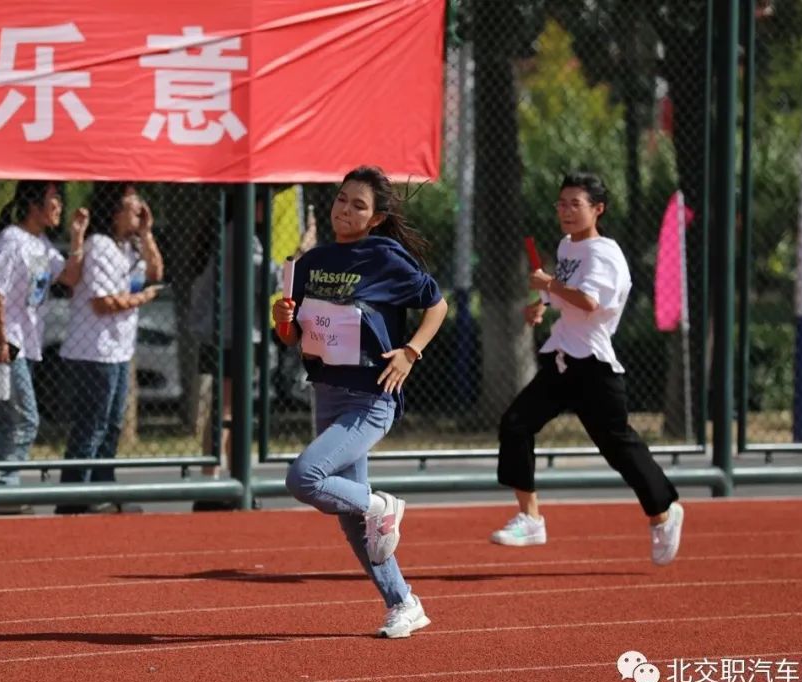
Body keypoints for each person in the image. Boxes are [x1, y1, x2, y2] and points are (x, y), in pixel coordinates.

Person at [273, 166, 448, 638]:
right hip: (327, 392)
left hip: (371, 398)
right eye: (341, 199)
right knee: (354, 522)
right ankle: (403, 602)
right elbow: (292, 336)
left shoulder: (384, 257)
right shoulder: (312, 262)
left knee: (305, 477)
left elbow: (437, 305)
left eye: (358, 205)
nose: (345, 210)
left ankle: (381, 504)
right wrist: (281, 318)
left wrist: (411, 352)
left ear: (376, 218)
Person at [490, 171, 684, 566]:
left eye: (575, 204)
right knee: (515, 424)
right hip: (563, 358)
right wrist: (542, 304)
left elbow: (590, 301)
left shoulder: (604, 253)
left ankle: (663, 513)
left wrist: (549, 285)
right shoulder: (567, 246)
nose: (566, 211)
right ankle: (531, 519)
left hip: (594, 367)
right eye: (561, 204)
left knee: (618, 447)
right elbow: (564, 292)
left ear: (598, 209)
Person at [187, 193, 316, 508]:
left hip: (235, 332)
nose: (268, 209)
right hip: (231, 334)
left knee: (234, 409)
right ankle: (214, 485)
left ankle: (233, 478)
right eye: (263, 202)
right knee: (227, 409)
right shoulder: (239, 234)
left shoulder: (239, 233)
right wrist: (303, 250)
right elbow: (269, 278)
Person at [0, 180, 88, 514]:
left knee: (9, 419)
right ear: (34, 205)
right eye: (53, 199)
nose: (59, 206)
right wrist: (1, 339)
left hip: (24, 345)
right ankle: (3, 490)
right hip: (4, 346)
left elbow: (70, 277)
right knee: (25, 419)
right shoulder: (12, 239)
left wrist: (77, 236)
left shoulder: (42, 244)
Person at [55, 183, 163, 515]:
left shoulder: (128, 246)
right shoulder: (98, 245)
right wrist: (143, 298)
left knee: (113, 423)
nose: (140, 211)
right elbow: (103, 303)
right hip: (94, 351)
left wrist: (146, 233)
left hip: (118, 350)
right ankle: (75, 495)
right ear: (115, 213)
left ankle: (103, 485)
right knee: (92, 424)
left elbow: (156, 271)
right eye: (133, 207)